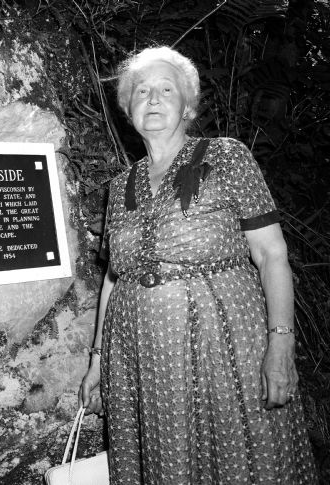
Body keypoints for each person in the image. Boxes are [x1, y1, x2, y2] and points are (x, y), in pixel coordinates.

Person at [78, 46, 318, 484]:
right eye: (141, 91)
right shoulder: (119, 186)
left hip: (223, 346)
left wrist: (281, 346)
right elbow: (114, 278)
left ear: (187, 105)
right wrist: (98, 360)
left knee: (239, 455)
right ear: (127, 108)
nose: (152, 99)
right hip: (140, 359)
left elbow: (272, 255)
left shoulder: (226, 157)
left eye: (166, 89)